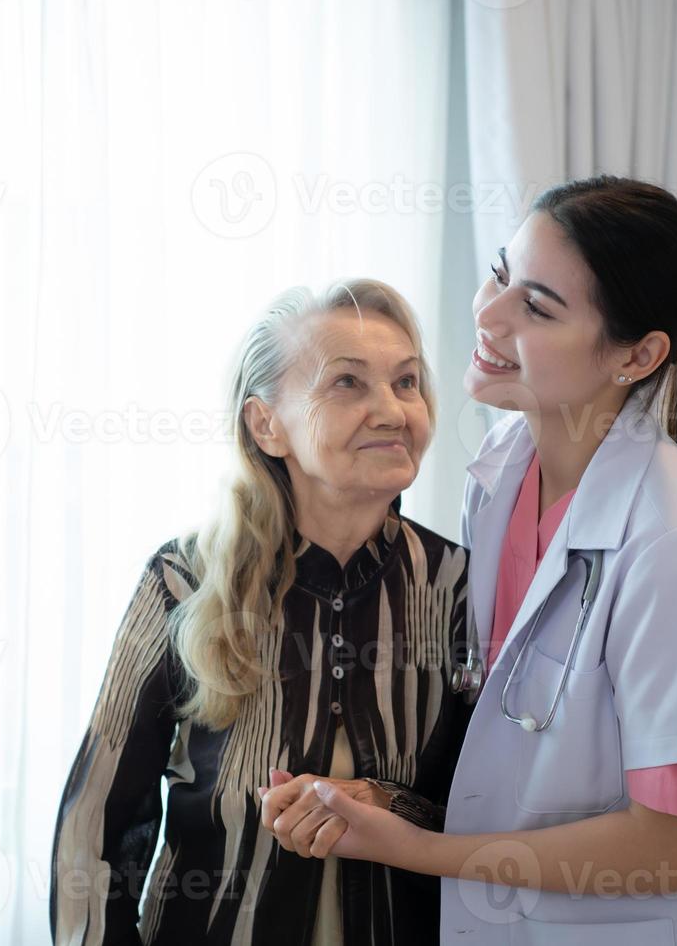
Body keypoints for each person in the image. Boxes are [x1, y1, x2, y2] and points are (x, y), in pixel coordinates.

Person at [260, 177, 677, 945]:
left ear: (637, 354)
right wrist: (385, 805)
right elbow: (525, 761)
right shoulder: (502, 472)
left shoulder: (676, 548)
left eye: (538, 307)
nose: (488, 313)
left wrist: (423, 850)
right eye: (500, 272)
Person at [50, 279, 474, 945]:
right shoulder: (182, 580)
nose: (392, 410)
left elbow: (498, 819)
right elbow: (95, 825)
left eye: (407, 382)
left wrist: (388, 805)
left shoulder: (460, 586)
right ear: (265, 423)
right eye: (348, 384)